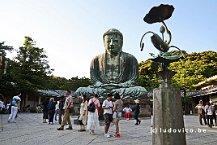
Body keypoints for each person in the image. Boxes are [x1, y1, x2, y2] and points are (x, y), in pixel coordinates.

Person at [76, 28, 147, 98]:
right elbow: (94, 80)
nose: (111, 44)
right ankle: (112, 94)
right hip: (102, 88)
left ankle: (110, 94)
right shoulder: (96, 60)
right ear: (104, 43)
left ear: (121, 42)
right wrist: (101, 85)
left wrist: (120, 85)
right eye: (108, 41)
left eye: (115, 41)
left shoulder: (130, 58)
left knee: (141, 91)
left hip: (121, 88)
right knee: (80, 90)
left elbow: (133, 80)